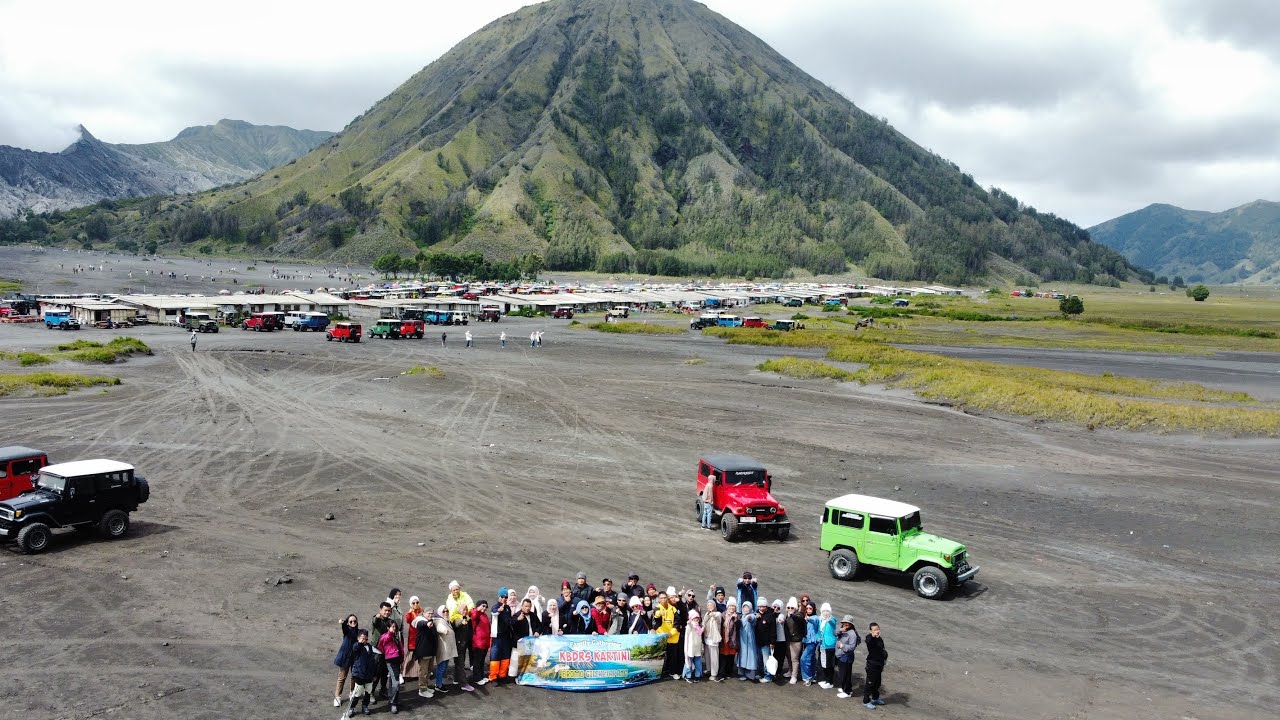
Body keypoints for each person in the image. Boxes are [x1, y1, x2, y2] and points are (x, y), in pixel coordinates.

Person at [342, 629, 377, 720]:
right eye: (362, 638)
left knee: (368, 692)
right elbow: (356, 648)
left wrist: (374, 674)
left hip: (369, 675)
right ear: (358, 638)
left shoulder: (370, 647)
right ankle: (351, 708)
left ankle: (365, 706)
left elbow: (373, 661)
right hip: (359, 675)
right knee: (357, 693)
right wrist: (360, 643)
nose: (364, 640)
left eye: (366, 639)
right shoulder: (356, 646)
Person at [445, 581, 474, 687]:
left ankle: (457, 679)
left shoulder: (465, 595)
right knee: (460, 659)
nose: (455, 591)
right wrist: (461, 618)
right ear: (451, 591)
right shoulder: (450, 600)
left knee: (461, 657)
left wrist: (465, 612)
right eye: (454, 590)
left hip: (466, 625)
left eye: (457, 589)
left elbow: (470, 606)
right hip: (457, 626)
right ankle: (463, 682)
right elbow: (453, 617)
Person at [333, 614, 360, 707]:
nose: (353, 623)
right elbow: (344, 628)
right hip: (345, 657)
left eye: (354, 621)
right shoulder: (347, 631)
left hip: (355, 658)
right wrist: (343, 623)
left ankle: (352, 692)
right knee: (342, 678)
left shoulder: (359, 632)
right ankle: (337, 697)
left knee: (354, 677)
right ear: (348, 623)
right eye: (351, 621)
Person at [488, 588, 514, 682]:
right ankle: (493, 676)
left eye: (506, 597)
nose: (504, 599)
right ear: (499, 597)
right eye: (502, 597)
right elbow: (493, 613)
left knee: (505, 655)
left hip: (506, 636)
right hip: (497, 636)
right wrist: (499, 610)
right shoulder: (495, 607)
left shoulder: (507, 608)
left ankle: (502, 675)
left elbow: (509, 620)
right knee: (495, 655)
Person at [370, 602, 395, 700]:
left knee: (385, 673)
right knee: (375, 673)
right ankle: (371, 693)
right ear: (380, 610)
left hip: (387, 651)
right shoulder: (377, 619)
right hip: (377, 651)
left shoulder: (390, 621)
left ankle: (383, 690)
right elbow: (374, 621)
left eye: (389, 611)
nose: (387, 612)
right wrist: (377, 616)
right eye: (385, 610)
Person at [376, 621, 403, 713]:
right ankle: (393, 703)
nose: (394, 628)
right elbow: (382, 645)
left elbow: (401, 648)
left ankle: (392, 700)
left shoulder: (396, 636)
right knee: (396, 683)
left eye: (395, 627)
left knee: (392, 681)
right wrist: (390, 632)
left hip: (397, 661)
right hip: (390, 661)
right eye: (392, 627)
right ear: (388, 627)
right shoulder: (386, 636)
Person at [653, 590, 681, 679]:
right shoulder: (657, 608)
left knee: (673, 656)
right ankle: (659, 673)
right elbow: (655, 615)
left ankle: (672, 672)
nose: (663, 600)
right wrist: (659, 614)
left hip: (672, 636)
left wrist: (671, 632)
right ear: (658, 599)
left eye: (665, 598)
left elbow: (677, 622)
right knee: (660, 656)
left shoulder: (673, 609)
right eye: (661, 598)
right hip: (662, 636)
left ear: (667, 599)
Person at [433, 605, 461, 692]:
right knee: (441, 667)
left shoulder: (446, 620)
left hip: (447, 649)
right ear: (440, 612)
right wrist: (444, 630)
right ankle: (438, 685)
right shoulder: (439, 621)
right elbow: (439, 627)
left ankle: (439, 683)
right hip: (443, 649)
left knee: (444, 667)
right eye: (444, 611)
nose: (446, 613)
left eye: (447, 611)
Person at [834, 615, 860, 699]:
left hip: (846, 657)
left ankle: (847, 692)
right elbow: (834, 633)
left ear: (851, 624)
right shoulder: (842, 630)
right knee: (843, 674)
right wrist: (840, 630)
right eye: (844, 623)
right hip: (841, 655)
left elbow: (852, 647)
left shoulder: (852, 634)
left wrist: (842, 646)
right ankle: (846, 688)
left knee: (845, 675)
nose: (845, 624)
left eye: (847, 623)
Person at [411, 615, 437, 698]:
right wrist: (427, 623)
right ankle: (422, 690)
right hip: (423, 652)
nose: (430, 614)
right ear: (424, 613)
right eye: (428, 613)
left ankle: (426, 687)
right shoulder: (420, 621)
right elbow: (420, 624)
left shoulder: (432, 621)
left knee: (429, 670)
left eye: (432, 613)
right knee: (423, 672)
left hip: (430, 651)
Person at [863, 622, 887, 708]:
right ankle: (866, 701)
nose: (877, 631)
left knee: (877, 683)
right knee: (870, 684)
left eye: (878, 629)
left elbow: (882, 651)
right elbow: (868, 640)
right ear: (871, 631)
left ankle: (875, 698)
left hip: (879, 665)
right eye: (875, 630)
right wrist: (872, 636)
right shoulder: (870, 638)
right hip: (871, 665)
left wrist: (884, 662)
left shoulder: (879, 639)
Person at [468, 600, 492, 686]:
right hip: (478, 642)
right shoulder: (475, 613)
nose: (484, 608)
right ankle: (476, 678)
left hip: (484, 642)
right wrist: (478, 609)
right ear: (478, 606)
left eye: (486, 606)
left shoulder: (484, 615)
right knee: (477, 661)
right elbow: (474, 616)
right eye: (483, 606)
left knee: (482, 660)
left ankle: (481, 676)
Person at [402, 597, 423, 684]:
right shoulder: (409, 613)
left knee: (420, 655)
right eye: (413, 603)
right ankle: (404, 672)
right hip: (413, 637)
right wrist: (410, 613)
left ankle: (417, 673)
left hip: (420, 636)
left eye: (417, 602)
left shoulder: (422, 610)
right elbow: (407, 620)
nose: (415, 604)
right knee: (411, 655)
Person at [818, 603, 838, 689]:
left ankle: (830, 682)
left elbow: (833, 623)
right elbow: (819, 632)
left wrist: (830, 620)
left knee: (829, 664)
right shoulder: (821, 620)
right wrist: (818, 638)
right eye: (824, 611)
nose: (825, 613)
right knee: (824, 663)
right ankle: (826, 680)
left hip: (830, 645)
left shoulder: (832, 619)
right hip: (822, 645)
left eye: (827, 611)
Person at [755, 599, 775, 683]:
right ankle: (761, 673)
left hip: (766, 643)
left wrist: (772, 642)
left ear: (766, 606)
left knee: (766, 660)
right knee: (759, 659)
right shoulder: (757, 614)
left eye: (762, 606)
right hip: (758, 641)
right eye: (759, 606)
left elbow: (773, 630)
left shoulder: (770, 616)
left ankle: (768, 676)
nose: (761, 608)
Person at [737, 601, 758, 681]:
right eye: (744, 607)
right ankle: (743, 674)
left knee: (750, 657)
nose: (746, 609)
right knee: (743, 657)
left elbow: (753, 619)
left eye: (747, 607)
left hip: (749, 640)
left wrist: (749, 617)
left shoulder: (752, 615)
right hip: (742, 641)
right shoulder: (741, 617)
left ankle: (751, 675)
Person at [702, 599, 723, 682]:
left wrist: (712, 614)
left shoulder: (718, 613)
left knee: (714, 657)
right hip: (707, 637)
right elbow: (703, 623)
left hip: (714, 638)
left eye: (711, 605)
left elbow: (718, 618)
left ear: (714, 606)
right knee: (707, 655)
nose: (709, 606)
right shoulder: (706, 614)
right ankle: (709, 669)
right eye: (708, 605)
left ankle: (714, 673)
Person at [720, 597, 738, 681]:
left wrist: (736, 619)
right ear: (727, 606)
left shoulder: (737, 616)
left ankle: (729, 672)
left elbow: (739, 627)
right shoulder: (723, 614)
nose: (732, 607)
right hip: (724, 639)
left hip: (732, 640)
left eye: (733, 606)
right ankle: (722, 673)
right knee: (723, 656)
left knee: (731, 656)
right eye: (730, 606)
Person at [683, 609, 704, 682]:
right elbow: (689, 627)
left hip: (697, 647)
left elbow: (701, 634)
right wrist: (689, 623)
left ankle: (697, 675)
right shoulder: (690, 626)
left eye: (697, 618)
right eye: (694, 618)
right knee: (689, 661)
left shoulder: (699, 627)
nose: (696, 619)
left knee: (698, 661)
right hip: (691, 647)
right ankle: (687, 675)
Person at [801, 601, 820, 685]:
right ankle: (813, 676)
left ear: (813, 609)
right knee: (811, 659)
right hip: (806, 640)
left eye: (810, 608)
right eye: (807, 608)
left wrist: (808, 618)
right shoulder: (805, 616)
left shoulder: (815, 617)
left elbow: (814, 620)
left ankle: (807, 678)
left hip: (812, 641)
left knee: (804, 659)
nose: (808, 610)